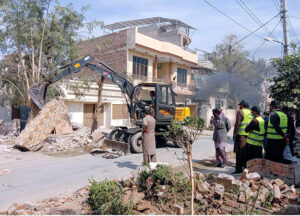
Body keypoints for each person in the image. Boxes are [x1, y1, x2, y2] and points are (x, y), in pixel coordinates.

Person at [233, 100, 253, 173]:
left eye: (240, 105)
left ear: (243, 105)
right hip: (249, 136)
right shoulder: (251, 113)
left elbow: (237, 124)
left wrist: (234, 133)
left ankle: (238, 169)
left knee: (239, 153)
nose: (239, 106)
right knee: (246, 153)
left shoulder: (240, 112)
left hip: (241, 135)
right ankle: (245, 168)